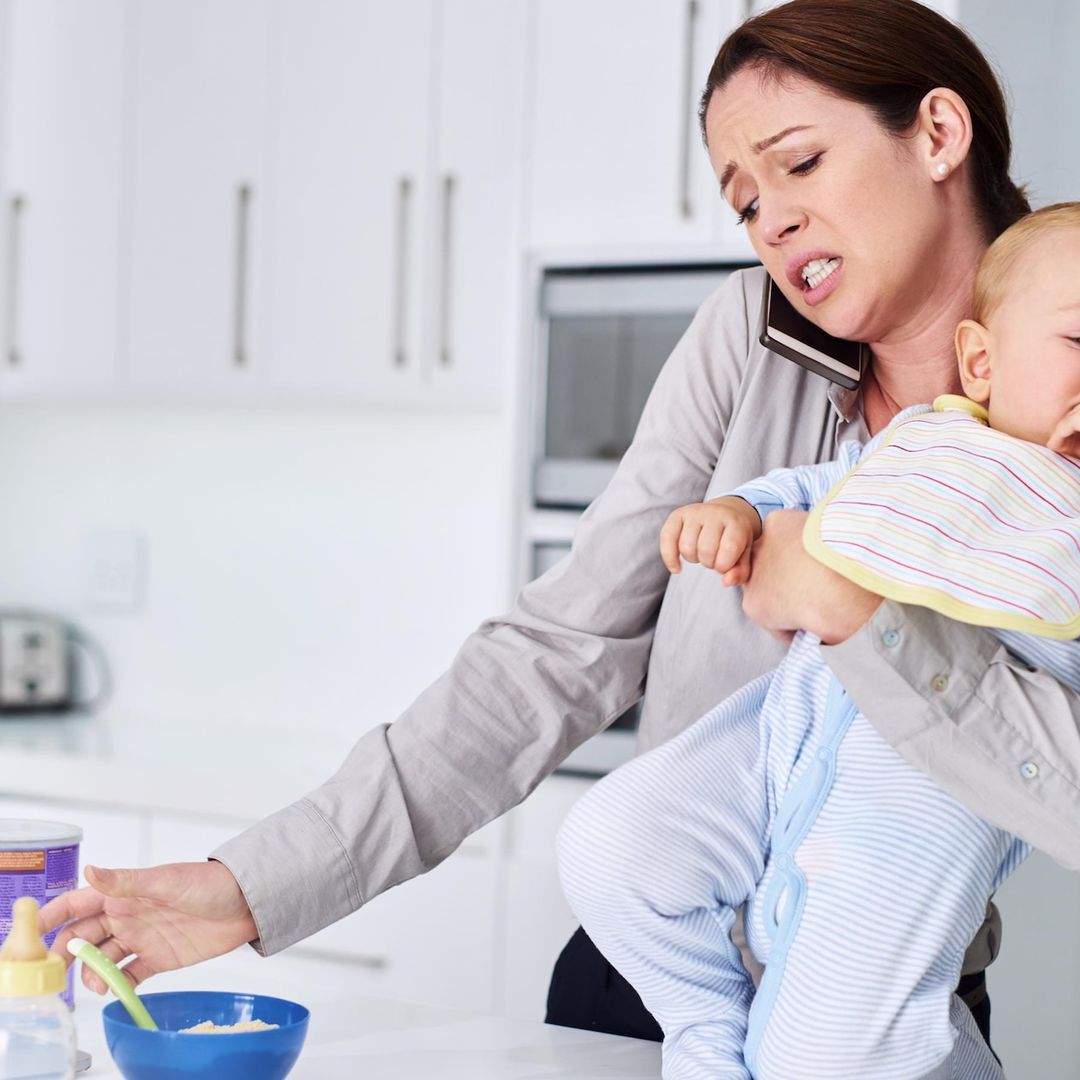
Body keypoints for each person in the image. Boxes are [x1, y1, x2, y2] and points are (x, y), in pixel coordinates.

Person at [40, 0, 1080, 1046]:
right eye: (745, 201)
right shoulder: (747, 336)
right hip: (646, 977)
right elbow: (554, 654)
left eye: (799, 162)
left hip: (880, 1008)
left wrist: (866, 620)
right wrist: (255, 886)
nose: (773, 222)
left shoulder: (1065, 436)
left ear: (938, 134)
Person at [556, 203, 1080, 1079]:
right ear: (982, 362)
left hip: (924, 796)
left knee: (832, 1050)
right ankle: (702, 1032)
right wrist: (739, 512)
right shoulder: (929, 443)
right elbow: (814, 489)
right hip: (783, 731)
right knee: (610, 844)